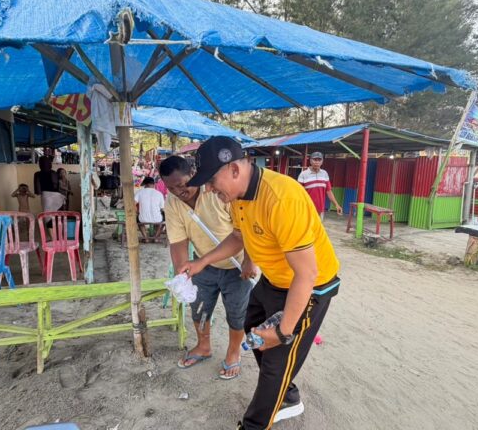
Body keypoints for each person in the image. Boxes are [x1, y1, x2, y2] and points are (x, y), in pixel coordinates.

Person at [180, 137, 340, 430]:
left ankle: (258, 420)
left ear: (235, 170)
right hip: (276, 278)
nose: (210, 189)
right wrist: (203, 262)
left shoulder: (282, 197)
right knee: (252, 325)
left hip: (310, 287)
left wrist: (282, 331)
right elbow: (240, 237)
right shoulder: (238, 196)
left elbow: (307, 274)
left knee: (276, 357)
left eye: (212, 181)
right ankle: (287, 395)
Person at [159, 156, 256, 380]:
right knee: (200, 308)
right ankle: (204, 346)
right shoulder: (172, 203)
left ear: (193, 173)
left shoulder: (217, 192)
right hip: (203, 264)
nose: (178, 191)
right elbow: (178, 241)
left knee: (236, 312)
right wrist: (181, 273)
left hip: (236, 265)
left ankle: (233, 353)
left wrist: (250, 259)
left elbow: (246, 229)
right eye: (171, 188)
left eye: (182, 184)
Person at [297, 152, 343, 220]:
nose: (317, 162)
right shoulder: (303, 174)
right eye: (315, 159)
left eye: (319, 160)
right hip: (307, 209)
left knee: (318, 229)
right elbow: (298, 193)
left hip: (320, 210)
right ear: (310, 161)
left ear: (322, 162)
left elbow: (329, 191)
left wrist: (336, 205)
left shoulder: (324, 174)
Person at [134, 177, 165, 241]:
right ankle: (156, 237)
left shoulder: (139, 192)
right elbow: (162, 208)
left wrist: (137, 212)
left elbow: (133, 204)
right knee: (162, 220)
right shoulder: (159, 194)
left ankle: (146, 238)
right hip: (157, 219)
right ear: (153, 184)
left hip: (143, 219)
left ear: (145, 184)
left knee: (138, 220)